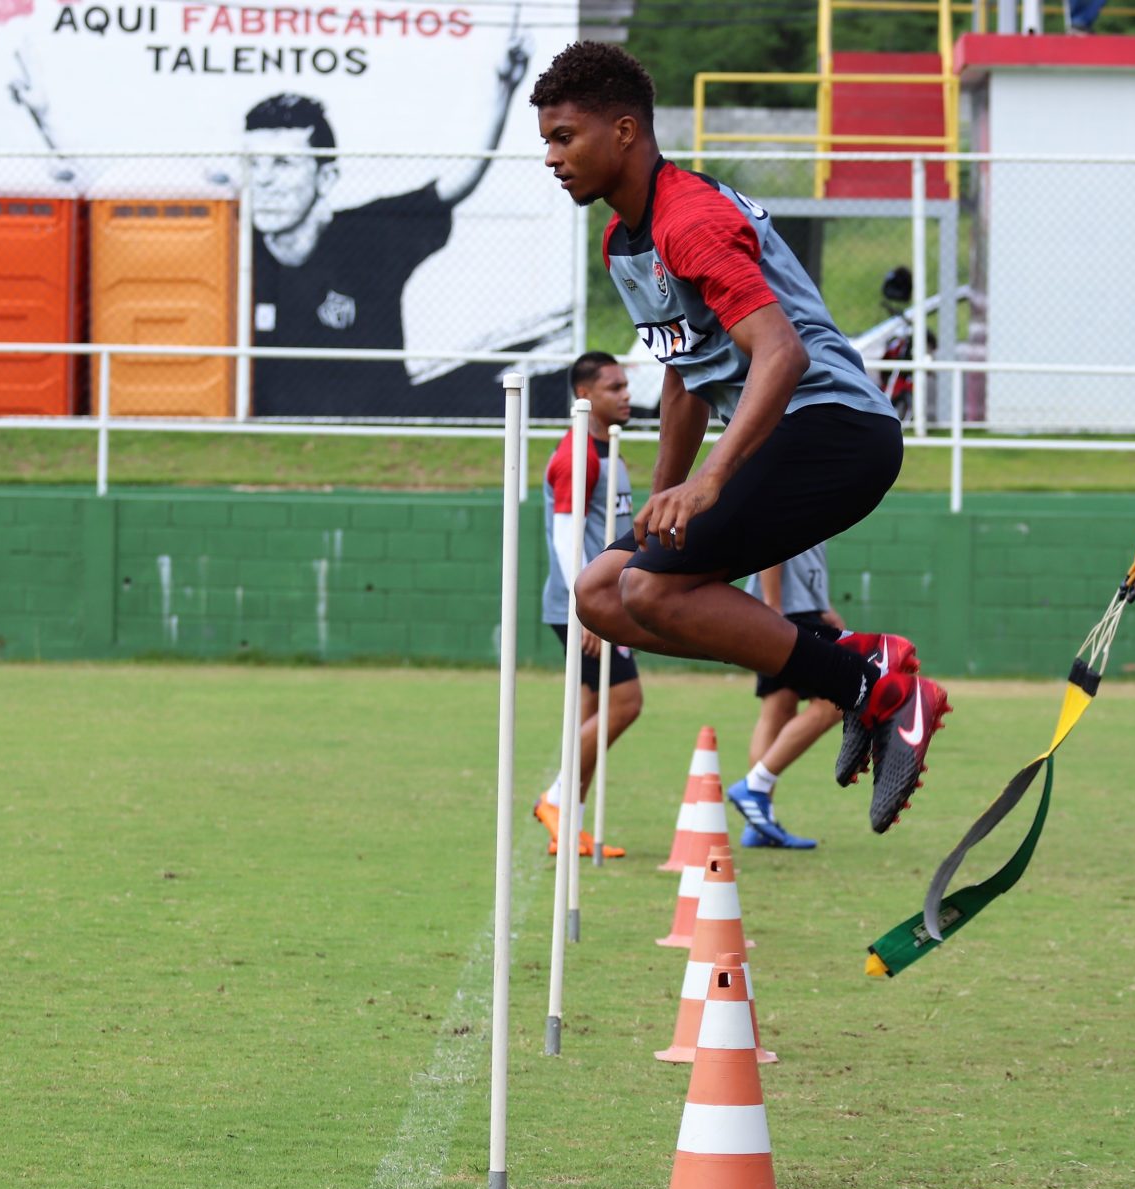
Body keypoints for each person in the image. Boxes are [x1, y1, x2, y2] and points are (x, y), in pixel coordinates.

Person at [530, 42, 947, 834]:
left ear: (625, 131)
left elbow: (782, 353)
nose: (551, 157)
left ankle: (873, 684)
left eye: (564, 137)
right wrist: (661, 505)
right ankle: (860, 675)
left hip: (835, 429)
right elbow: (686, 378)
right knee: (601, 593)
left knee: (650, 591)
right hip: (782, 435)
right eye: (547, 140)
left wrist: (710, 482)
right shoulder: (625, 241)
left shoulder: (689, 220)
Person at [245, 38, 529, 418]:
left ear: (326, 177)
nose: (263, 180)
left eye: (282, 164)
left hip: (377, 427)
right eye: (253, 164)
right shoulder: (232, 252)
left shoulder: (370, 234)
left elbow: (455, 184)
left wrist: (503, 91)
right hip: (270, 435)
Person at [532, 352, 640, 859]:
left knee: (594, 709)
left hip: (604, 602)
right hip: (586, 605)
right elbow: (564, 535)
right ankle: (555, 800)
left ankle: (569, 824)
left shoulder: (608, 447)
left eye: (625, 385)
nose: (626, 394)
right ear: (584, 395)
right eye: (613, 387)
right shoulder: (578, 454)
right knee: (627, 703)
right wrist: (586, 607)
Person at [728, 543, 849, 850]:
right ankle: (754, 786)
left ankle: (758, 821)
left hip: (797, 607)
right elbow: (772, 537)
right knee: (835, 702)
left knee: (778, 708)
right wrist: (773, 606)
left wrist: (821, 605)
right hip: (788, 611)